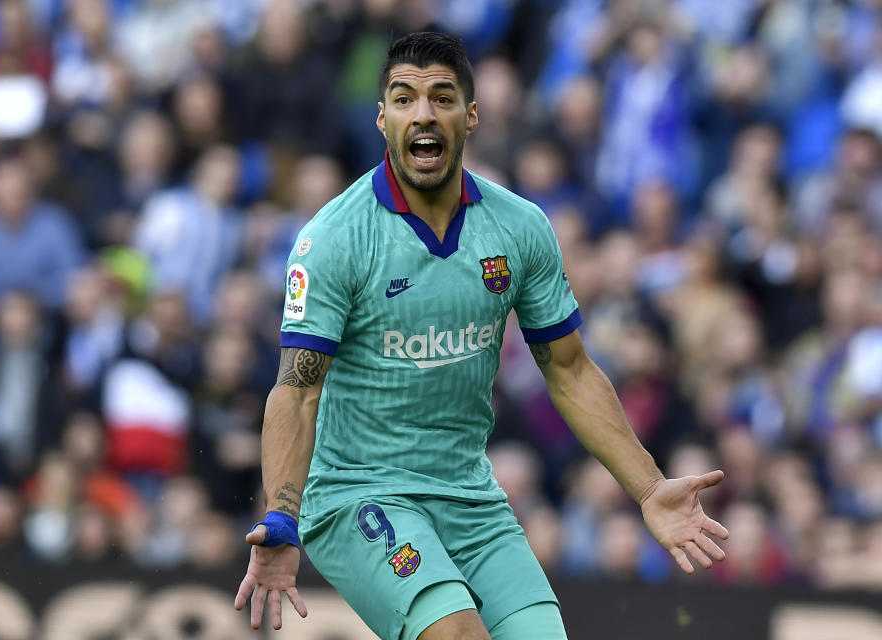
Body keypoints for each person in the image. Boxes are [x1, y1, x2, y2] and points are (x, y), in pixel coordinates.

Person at [234, 32, 729, 640]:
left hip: (469, 495)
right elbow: (296, 390)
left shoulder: (519, 227)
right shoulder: (335, 238)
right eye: (405, 98)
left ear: (471, 117)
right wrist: (282, 519)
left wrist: (649, 488)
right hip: (359, 496)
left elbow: (570, 370)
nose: (424, 114)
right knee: (458, 635)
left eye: (442, 97)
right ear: (382, 117)